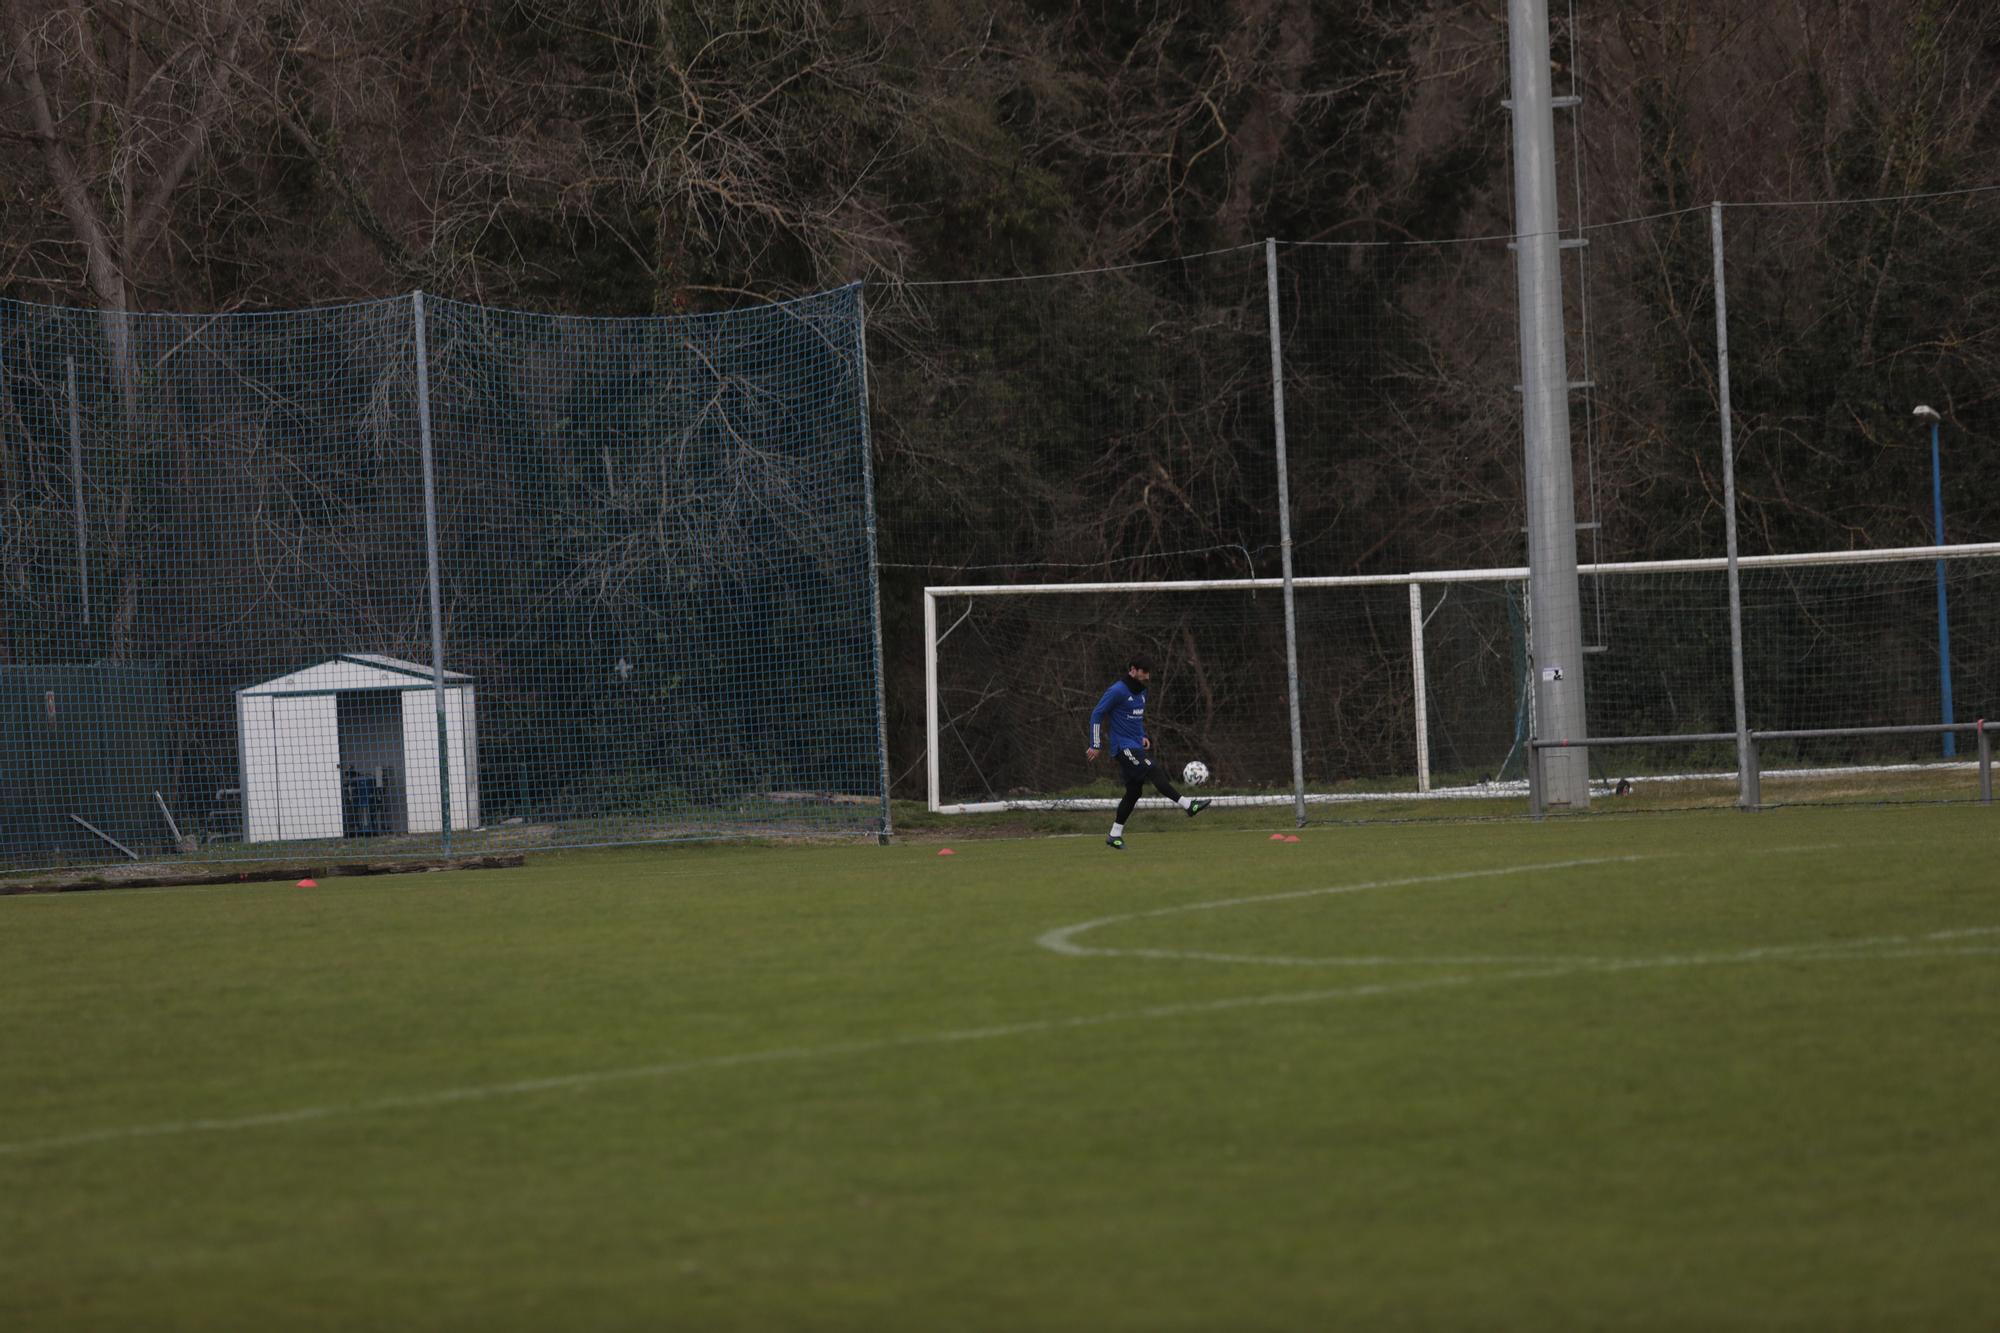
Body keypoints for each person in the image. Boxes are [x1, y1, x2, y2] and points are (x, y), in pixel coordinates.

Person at [1086, 654, 1208, 850]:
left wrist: (1142, 736)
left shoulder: (1142, 692)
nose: (1147, 676)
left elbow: (1136, 718)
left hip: (1134, 745)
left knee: (1134, 792)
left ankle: (1114, 835)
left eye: (1149, 673)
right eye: (1144, 672)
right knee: (1154, 770)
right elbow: (1097, 714)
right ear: (1133, 670)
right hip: (1122, 748)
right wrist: (1095, 743)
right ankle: (1188, 805)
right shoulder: (1117, 690)